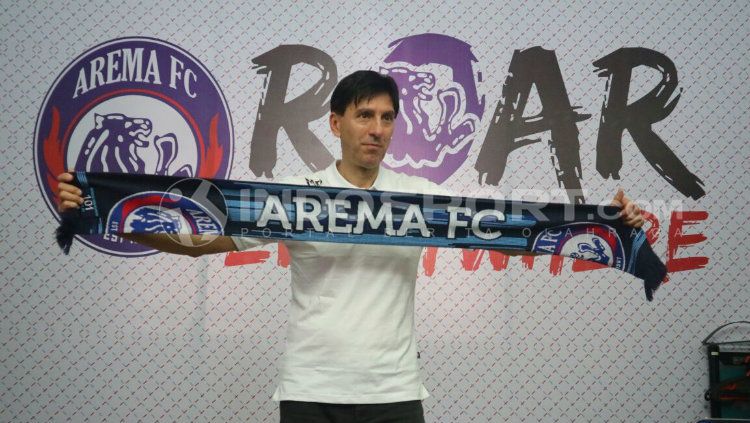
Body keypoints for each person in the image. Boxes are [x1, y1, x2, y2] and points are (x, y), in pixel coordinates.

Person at [57, 70, 644, 423]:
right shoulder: (295, 196)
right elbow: (196, 243)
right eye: (365, 116)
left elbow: (514, 235)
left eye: (387, 118)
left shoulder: (420, 196)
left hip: (394, 392)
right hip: (310, 390)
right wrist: (101, 213)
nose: (377, 129)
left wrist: (611, 223)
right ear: (337, 123)